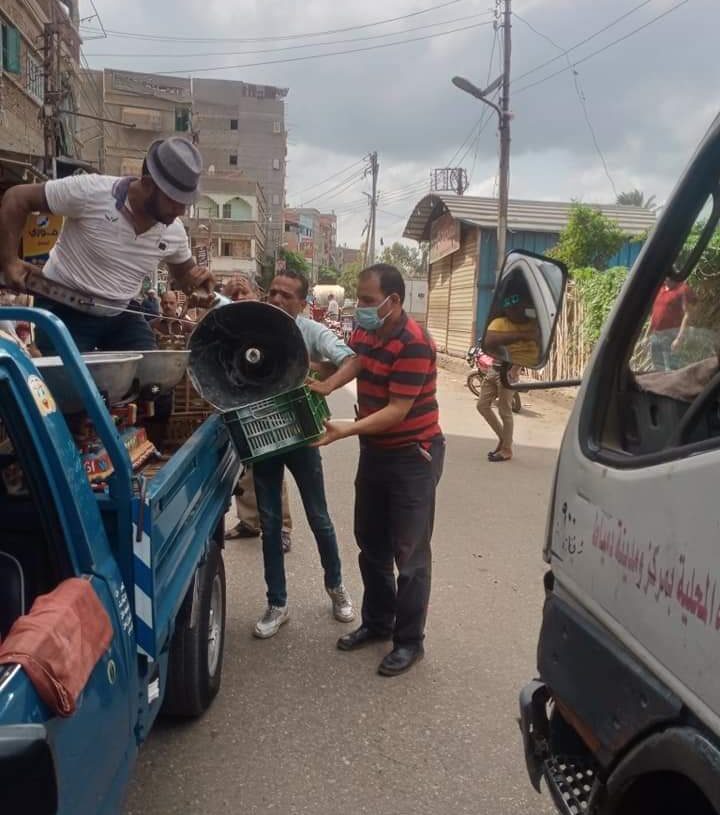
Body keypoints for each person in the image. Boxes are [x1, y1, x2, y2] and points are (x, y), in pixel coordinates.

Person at [309, 263, 444, 677]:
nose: (360, 308)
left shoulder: (414, 343)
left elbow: (397, 412)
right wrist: (328, 385)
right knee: (371, 543)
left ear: (394, 301)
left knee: (410, 555)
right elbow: (358, 362)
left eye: (367, 301)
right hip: (377, 451)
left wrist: (345, 430)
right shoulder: (368, 330)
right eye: (359, 299)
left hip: (412, 454)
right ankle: (378, 622)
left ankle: (409, 642)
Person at [0, 137, 212, 353]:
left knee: (153, 376)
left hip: (120, 315)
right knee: (67, 383)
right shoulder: (91, 191)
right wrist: (9, 261)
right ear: (148, 184)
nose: (180, 212)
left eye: (184, 203)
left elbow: (186, 275)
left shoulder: (174, 231)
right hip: (64, 308)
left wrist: (199, 286)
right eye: (173, 201)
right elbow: (17, 198)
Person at [251, 269, 356, 639]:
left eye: (286, 295)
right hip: (261, 437)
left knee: (319, 518)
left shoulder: (311, 332)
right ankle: (276, 604)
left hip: (303, 435)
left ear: (301, 303)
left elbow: (349, 359)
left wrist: (320, 377)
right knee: (270, 525)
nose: (277, 299)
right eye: (273, 293)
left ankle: (336, 588)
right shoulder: (252, 326)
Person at [220, 274, 294, 553]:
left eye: (245, 296)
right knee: (246, 466)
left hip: (267, 397)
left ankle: (283, 527)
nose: (240, 301)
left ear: (256, 296)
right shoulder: (228, 322)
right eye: (234, 297)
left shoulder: (267, 320)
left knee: (273, 462)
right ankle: (249, 521)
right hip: (239, 398)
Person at [479, 284, 539, 463]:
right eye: (510, 305)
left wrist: (515, 369)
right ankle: (504, 439)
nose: (514, 309)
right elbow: (490, 340)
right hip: (493, 369)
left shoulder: (533, 326)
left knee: (505, 411)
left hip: (509, 373)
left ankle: (506, 450)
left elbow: (530, 356)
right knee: (482, 405)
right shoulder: (499, 323)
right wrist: (522, 335)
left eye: (519, 305)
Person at [649, 275, 696, 371]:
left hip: (671, 336)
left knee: (671, 369)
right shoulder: (660, 288)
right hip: (655, 336)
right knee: (657, 367)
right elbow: (654, 314)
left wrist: (679, 338)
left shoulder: (682, 289)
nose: (666, 277)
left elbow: (687, 314)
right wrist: (648, 334)